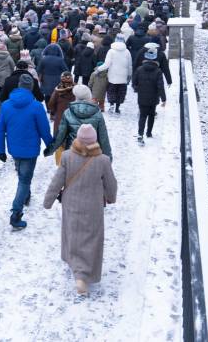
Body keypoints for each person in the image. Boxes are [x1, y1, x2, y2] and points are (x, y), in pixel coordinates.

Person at [43, 124, 117, 295]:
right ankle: (82, 275)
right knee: (91, 239)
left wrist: (48, 201)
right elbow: (111, 184)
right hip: (93, 207)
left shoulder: (67, 156)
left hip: (71, 204)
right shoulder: (103, 160)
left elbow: (57, 181)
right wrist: (111, 197)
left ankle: (77, 269)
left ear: (78, 139)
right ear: (94, 141)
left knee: (73, 235)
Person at [0, 74, 53, 230]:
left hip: (14, 149)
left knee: (22, 175)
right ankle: (16, 214)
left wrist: (1, 150)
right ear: (31, 88)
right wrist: (50, 145)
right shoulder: (36, 106)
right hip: (30, 150)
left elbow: (0, 129)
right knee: (24, 180)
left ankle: (25, 195)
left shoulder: (6, 105)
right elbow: (44, 129)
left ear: (19, 86)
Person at [132, 50, 167, 145]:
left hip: (142, 97)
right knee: (151, 115)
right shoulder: (158, 71)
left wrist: (137, 89)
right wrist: (163, 99)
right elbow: (160, 86)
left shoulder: (139, 69)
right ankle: (149, 132)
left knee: (142, 116)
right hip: (153, 98)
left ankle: (140, 134)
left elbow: (134, 83)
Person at [95, 35, 132, 113]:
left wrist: (98, 69)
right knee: (120, 92)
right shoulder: (127, 52)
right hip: (123, 76)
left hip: (112, 76)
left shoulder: (111, 51)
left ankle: (111, 105)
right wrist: (129, 75)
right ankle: (117, 107)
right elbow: (129, 65)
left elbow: (107, 64)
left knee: (111, 90)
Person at [46, 72, 75, 164]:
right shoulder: (77, 90)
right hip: (74, 120)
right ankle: (71, 163)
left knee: (59, 141)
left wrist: (55, 111)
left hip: (60, 119)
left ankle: (60, 164)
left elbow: (50, 105)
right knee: (73, 141)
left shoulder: (57, 91)